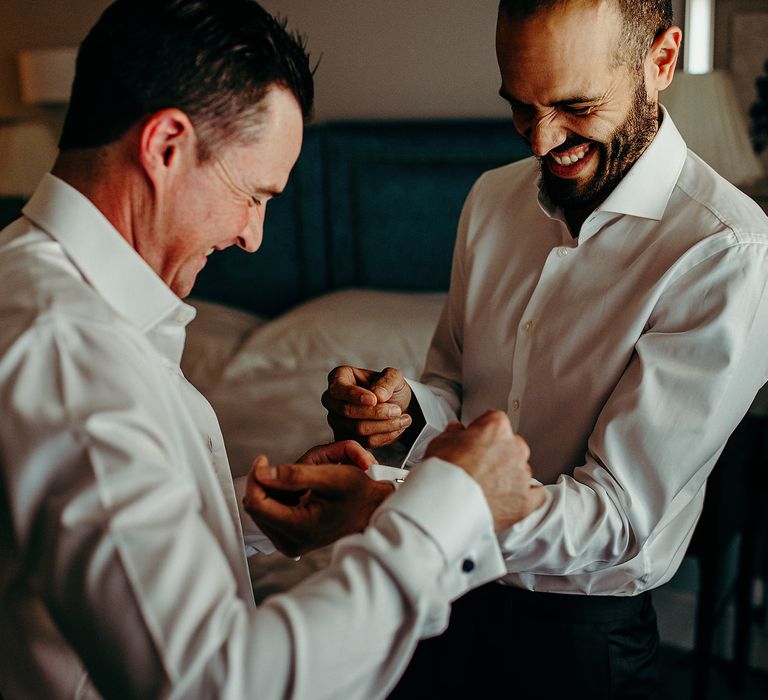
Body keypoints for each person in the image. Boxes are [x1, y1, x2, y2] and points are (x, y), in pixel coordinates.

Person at [0, 1, 547, 698]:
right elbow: (218, 682)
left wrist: (244, 519)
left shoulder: (30, 285)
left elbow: (81, 555)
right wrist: (452, 505)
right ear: (166, 146)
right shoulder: (69, 352)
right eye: (252, 194)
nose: (253, 236)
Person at [322, 1, 768, 697]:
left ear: (661, 61)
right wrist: (406, 416)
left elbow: (617, 516)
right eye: (521, 109)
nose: (540, 141)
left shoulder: (725, 252)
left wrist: (394, 500)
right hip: (442, 605)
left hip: (582, 645)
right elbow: (456, 390)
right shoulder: (490, 200)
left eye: (575, 106)